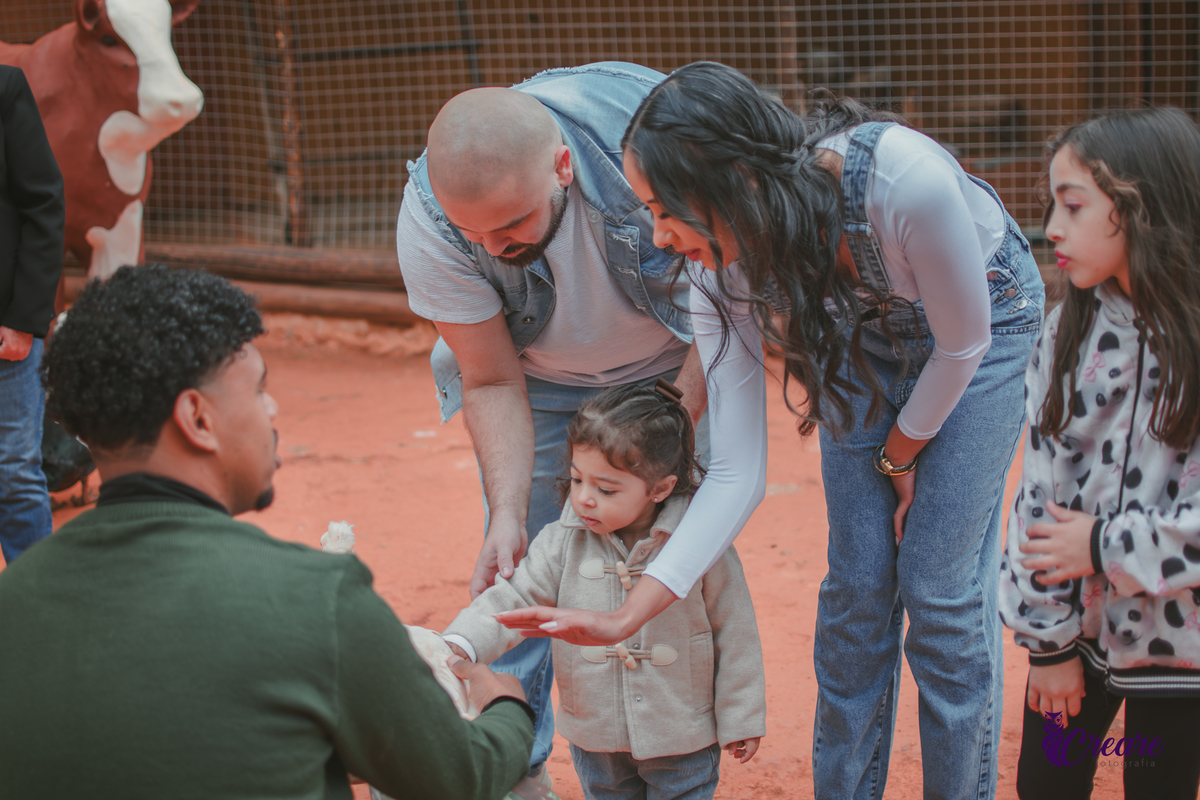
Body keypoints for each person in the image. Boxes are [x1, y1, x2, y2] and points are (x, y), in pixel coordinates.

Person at [498, 62, 1046, 800]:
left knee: (939, 594)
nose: (659, 237)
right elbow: (737, 472)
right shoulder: (718, 270)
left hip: (983, 331)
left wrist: (901, 453)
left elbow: (961, 346)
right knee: (856, 593)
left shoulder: (900, 181)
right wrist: (631, 611)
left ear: (733, 180)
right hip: (857, 336)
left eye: (665, 207)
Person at [0, 265, 535, 799]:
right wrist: (506, 709)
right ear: (198, 418)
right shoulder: (317, 598)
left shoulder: (16, 599)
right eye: (258, 389)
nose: (273, 409)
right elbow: (456, 774)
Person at [395, 61, 707, 777]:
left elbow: (728, 310)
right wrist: (509, 512)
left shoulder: (656, 144)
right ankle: (515, 771)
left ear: (563, 167)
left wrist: (666, 432)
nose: (492, 250)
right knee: (528, 562)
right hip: (537, 379)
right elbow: (490, 374)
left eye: (511, 225)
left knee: (667, 558)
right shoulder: (431, 221)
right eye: (474, 234)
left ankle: (671, 763)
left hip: (676, 368)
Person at [1000, 107, 1200, 800]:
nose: (1052, 227)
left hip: (1183, 652)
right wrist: (1048, 647)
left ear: (1143, 209)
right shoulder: (1067, 333)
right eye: (1052, 204)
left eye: (1073, 204)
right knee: (1045, 786)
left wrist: (1104, 544)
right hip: (1076, 633)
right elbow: (1038, 496)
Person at [442, 382, 765, 800]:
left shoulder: (701, 542)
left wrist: (741, 717)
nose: (584, 500)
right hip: (595, 733)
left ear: (661, 488)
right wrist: (460, 643)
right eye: (577, 480)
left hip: (681, 730)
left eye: (606, 489)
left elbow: (734, 630)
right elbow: (514, 597)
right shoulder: (562, 541)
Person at [0, 64, 64, 563]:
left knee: (14, 472)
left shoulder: (5, 87)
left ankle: (36, 608)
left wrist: (25, 319)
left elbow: (43, 203)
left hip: (6, 325)